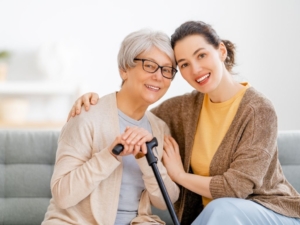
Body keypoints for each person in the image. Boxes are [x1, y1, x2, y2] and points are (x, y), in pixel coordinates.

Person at [68, 21, 300, 225]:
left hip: (272, 212)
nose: (195, 69)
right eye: (184, 64)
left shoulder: (258, 109)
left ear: (221, 51)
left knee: (222, 208)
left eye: (201, 55)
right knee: (218, 212)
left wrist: (179, 176)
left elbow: (236, 189)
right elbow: (132, 113)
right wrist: (93, 101)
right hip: (215, 219)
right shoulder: (183, 109)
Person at [42, 29, 180, 225]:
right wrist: (110, 154)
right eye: (149, 66)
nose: (159, 76)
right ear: (124, 69)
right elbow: (63, 195)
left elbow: (165, 200)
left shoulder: (159, 127)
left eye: (167, 70)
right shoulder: (86, 116)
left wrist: (147, 158)